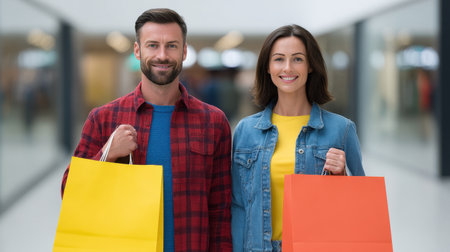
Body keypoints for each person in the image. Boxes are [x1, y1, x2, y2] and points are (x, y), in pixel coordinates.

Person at [61, 8, 232, 252]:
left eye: (172, 46)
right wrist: (107, 155)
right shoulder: (104, 118)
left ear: (184, 52)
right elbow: (69, 193)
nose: (162, 55)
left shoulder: (213, 122)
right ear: (137, 50)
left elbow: (220, 209)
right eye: (153, 45)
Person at [230, 24, 365, 252]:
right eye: (279, 59)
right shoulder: (245, 130)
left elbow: (361, 205)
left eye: (298, 59)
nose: (288, 68)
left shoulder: (341, 129)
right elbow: (238, 206)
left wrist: (343, 177)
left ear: (311, 65)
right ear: (268, 67)